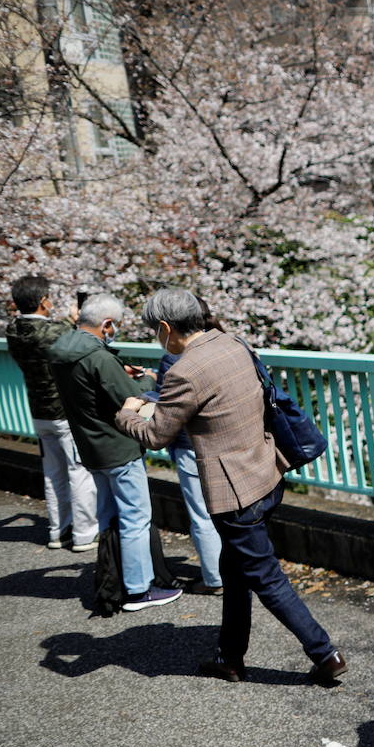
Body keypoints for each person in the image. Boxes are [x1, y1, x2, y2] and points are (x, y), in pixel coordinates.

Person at [113, 288, 346, 685]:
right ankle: (230, 657)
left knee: (265, 576)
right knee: (234, 569)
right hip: (266, 472)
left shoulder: (185, 370)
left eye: (156, 331)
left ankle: (325, 653)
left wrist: (127, 412)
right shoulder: (232, 343)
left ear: (166, 328)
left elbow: (155, 435)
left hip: (234, 494)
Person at [47, 293, 182, 612]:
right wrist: (147, 378)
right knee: (135, 517)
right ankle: (139, 588)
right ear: (106, 324)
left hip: (90, 446)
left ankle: (114, 579)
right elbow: (129, 400)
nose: (115, 331)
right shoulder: (99, 358)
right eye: (115, 326)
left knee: (108, 516)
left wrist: (120, 372)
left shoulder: (60, 351)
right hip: (118, 447)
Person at [4, 276, 98, 553]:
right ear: (44, 301)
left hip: (39, 411)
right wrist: (77, 320)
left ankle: (58, 531)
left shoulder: (13, 330)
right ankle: (84, 534)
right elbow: (81, 343)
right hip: (64, 412)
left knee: (53, 474)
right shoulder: (56, 330)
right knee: (78, 471)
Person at [144, 296, 224, 595]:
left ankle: (215, 579)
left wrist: (142, 398)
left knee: (203, 515)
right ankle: (240, 570)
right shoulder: (227, 345)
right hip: (226, 443)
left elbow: (170, 408)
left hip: (190, 446)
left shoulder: (174, 358)